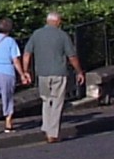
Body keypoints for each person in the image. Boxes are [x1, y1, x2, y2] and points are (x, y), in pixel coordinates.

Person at [22, 12, 85, 143]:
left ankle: (46, 127)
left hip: (42, 74)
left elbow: (27, 53)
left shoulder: (36, 34)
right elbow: (72, 56)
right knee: (57, 102)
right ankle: (53, 132)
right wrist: (79, 71)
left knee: (46, 100)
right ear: (57, 22)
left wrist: (25, 71)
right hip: (59, 72)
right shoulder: (62, 35)